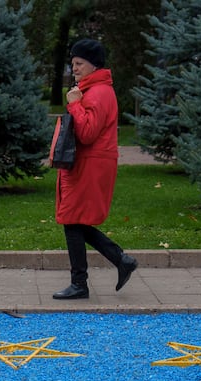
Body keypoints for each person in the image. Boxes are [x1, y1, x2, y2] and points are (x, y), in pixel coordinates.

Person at [52, 39, 136, 300]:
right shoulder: (92, 90)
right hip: (86, 164)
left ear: (93, 65)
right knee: (73, 220)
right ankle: (119, 260)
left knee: (72, 220)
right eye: (73, 63)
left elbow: (87, 133)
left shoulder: (99, 92)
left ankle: (81, 283)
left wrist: (75, 104)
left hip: (90, 165)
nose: (74, 68)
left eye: (79, 64)